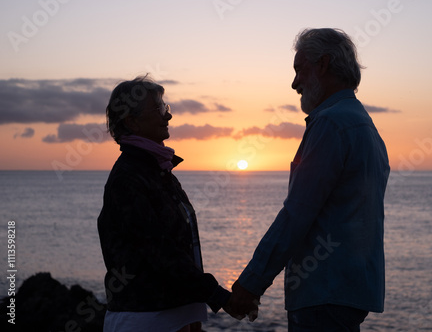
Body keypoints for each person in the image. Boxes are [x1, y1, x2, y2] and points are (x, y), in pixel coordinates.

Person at [225, 28, 390, 331]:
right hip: (352, 291)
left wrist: (250, 284)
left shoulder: (330, 123)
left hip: (324, 290)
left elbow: (297, 213)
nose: (294, 83)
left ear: (324, 64)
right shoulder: (365, 126)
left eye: (299, 70)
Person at [97, 75, 231, 332]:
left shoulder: (158, 171)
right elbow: (159, 252)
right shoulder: (128, 178)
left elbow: (178, 251)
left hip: (173, 316)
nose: (167, 116)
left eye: (165, 108)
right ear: (132, 121)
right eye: (159, 109)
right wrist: (219, 296)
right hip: (144, 319)